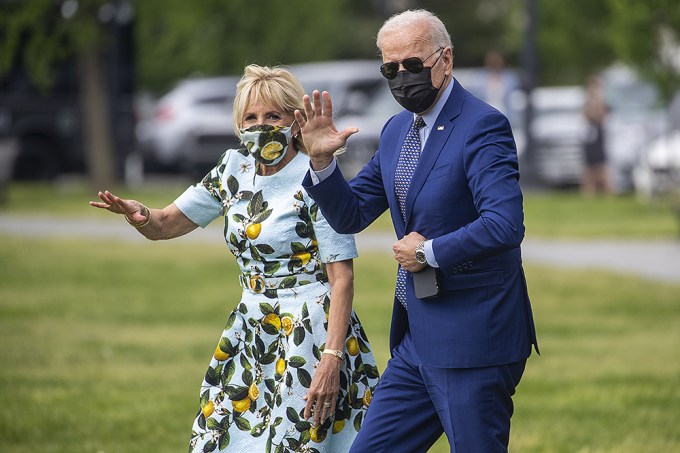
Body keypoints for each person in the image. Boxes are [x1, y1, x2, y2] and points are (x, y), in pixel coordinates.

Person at [89, 64, 379, 452]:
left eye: (273, 115)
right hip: (251, 329)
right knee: (221, 437)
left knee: (296, 442)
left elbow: (342, 278)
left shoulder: (317, 174)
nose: (261, 125)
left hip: (311, 332)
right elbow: (165, 223)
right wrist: (139, 213)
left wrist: (331, 358)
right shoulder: (234, 168)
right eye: (251, 117)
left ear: (295, 120)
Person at [296, 9, 539, 453]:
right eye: (390, 68)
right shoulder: (394, 132)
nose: (401, 77)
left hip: (474, 341)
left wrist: (428, 253)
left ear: (445, 60)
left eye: (412, 65)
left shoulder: (483, 126)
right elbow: (351, 215)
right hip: (415, 341)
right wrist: (321, 162)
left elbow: (505, 224)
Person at [582, 74, 611, 195]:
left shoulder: (601, 103)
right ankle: (589, 194)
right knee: (590, 171)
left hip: (599, 139)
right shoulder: (587, 104)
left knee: (602, 170)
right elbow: (587, 117)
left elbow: (601, 117)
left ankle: (608, 193)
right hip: (590, 141)